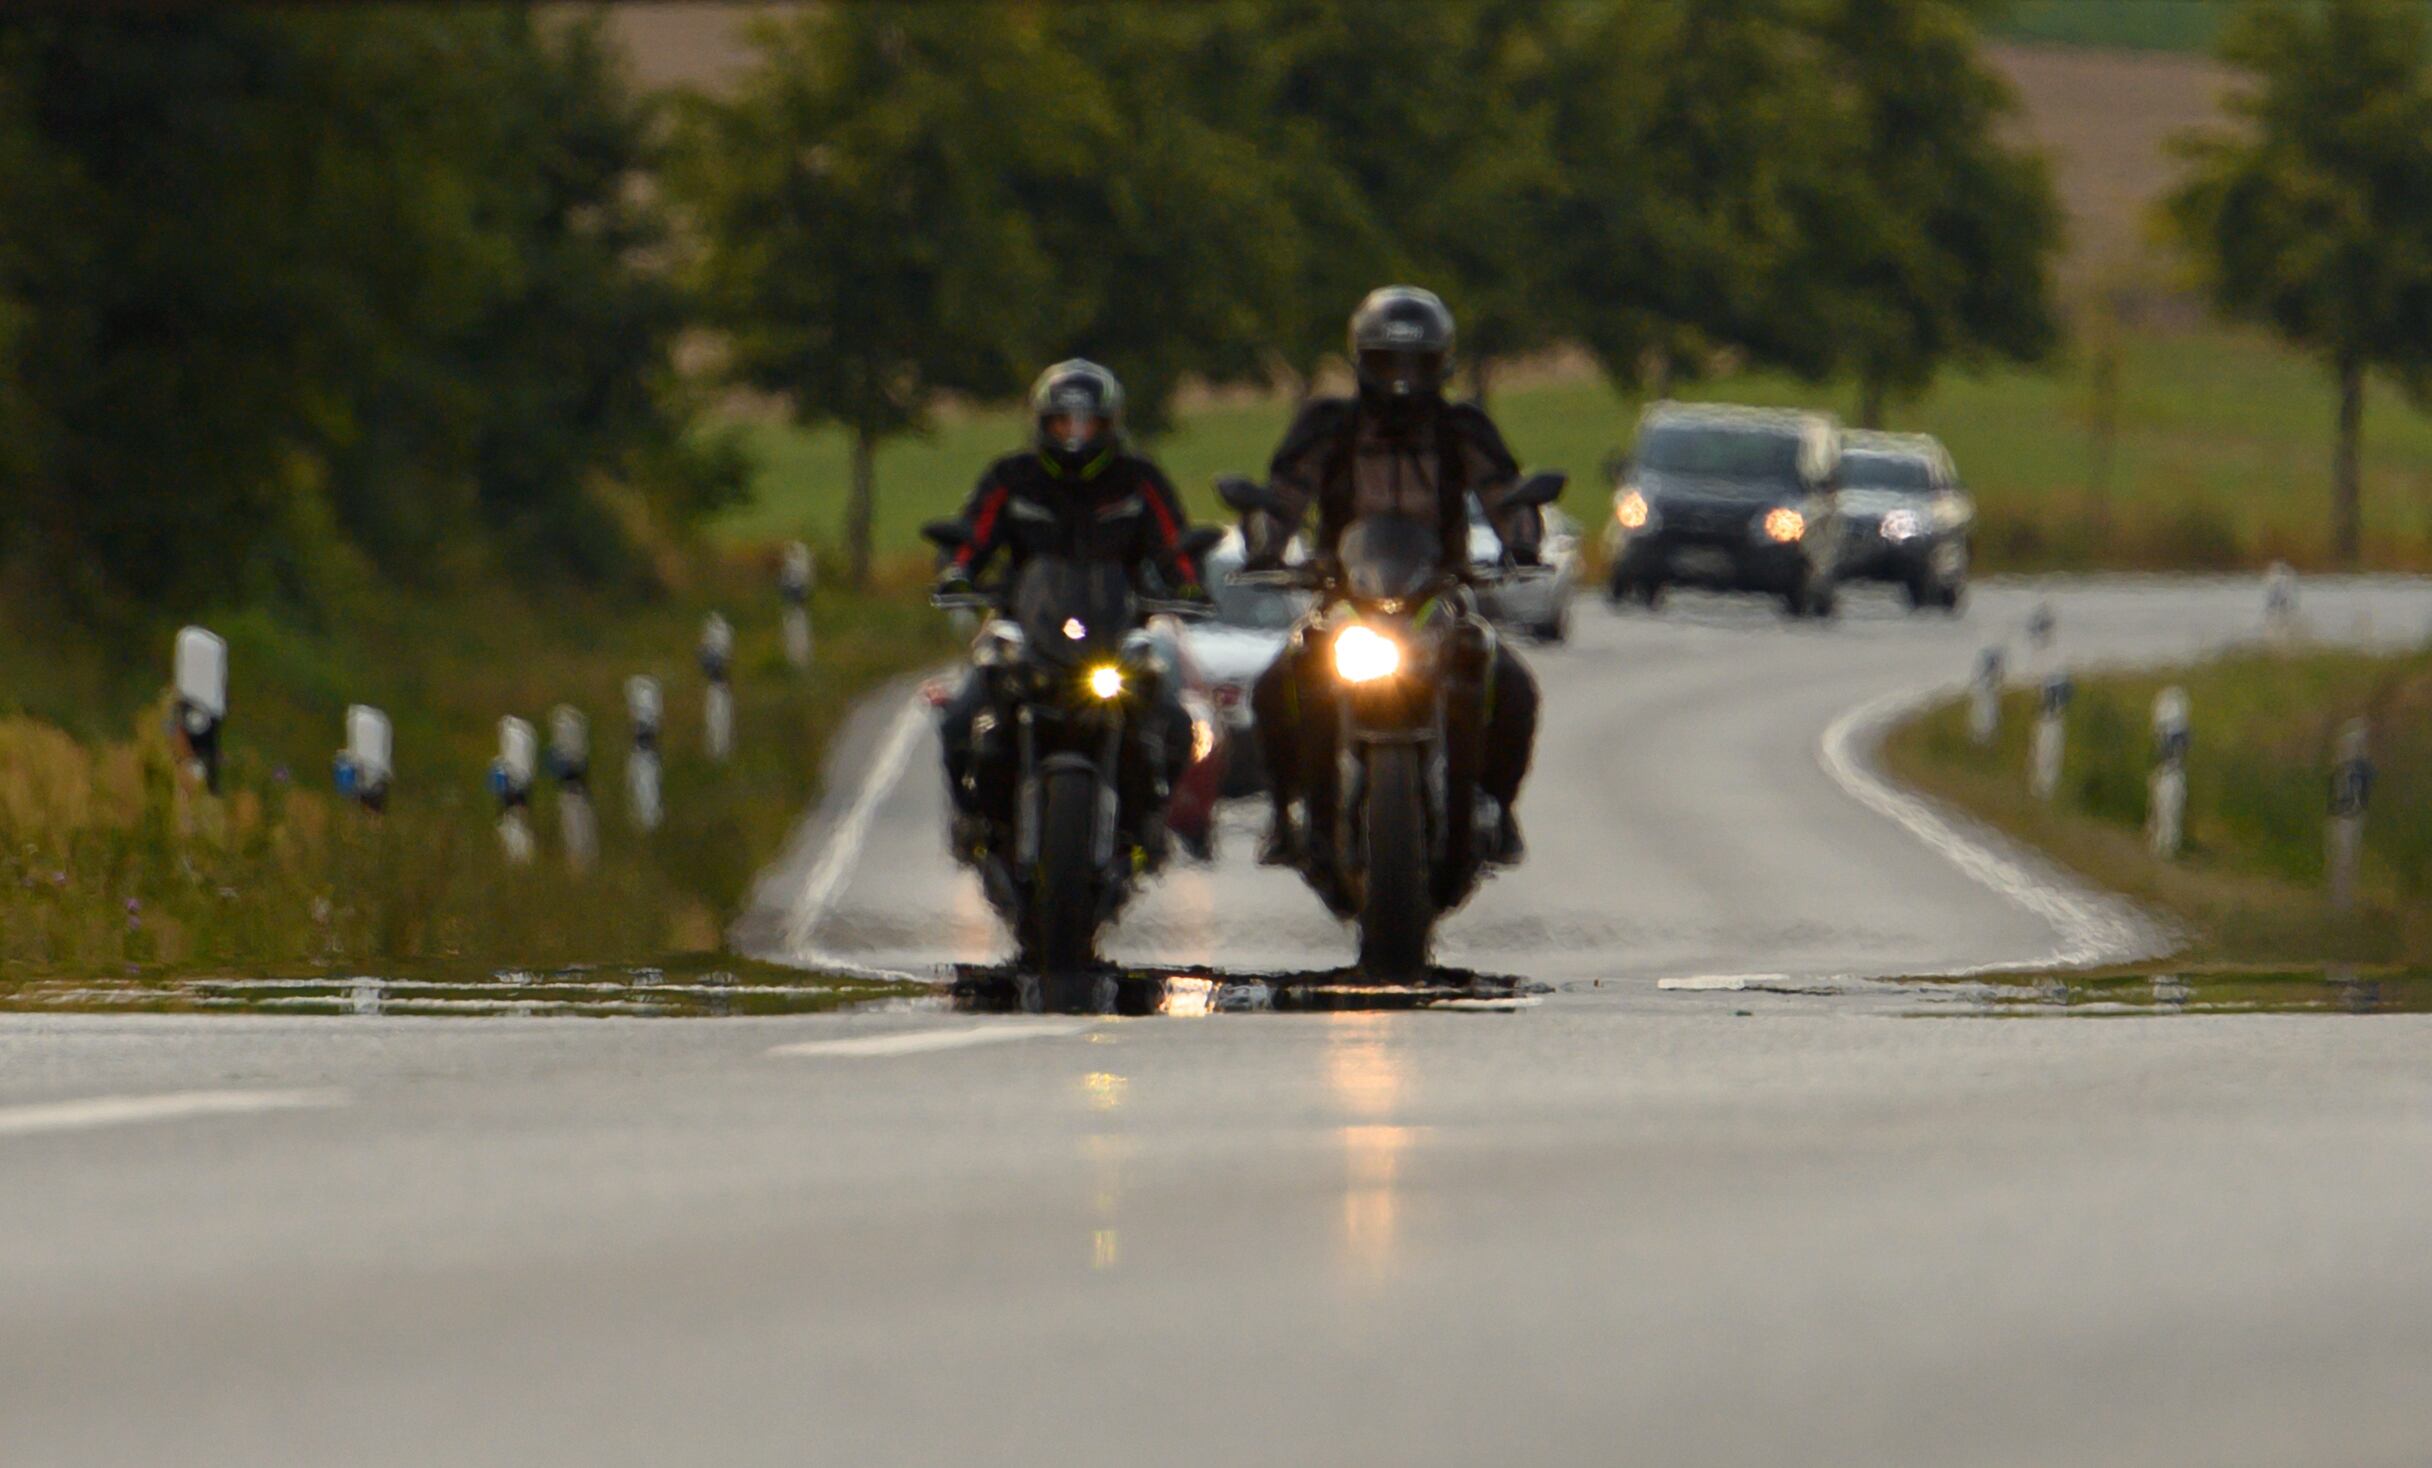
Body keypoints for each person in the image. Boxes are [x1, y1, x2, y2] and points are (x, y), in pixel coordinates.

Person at [1243, 286, 1542, 866]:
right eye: (1389, 362)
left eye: (1417, 364)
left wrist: (1524, 543)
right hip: (1347, 595)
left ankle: (1496, 810)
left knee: (1512, 688)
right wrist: (1265, 546)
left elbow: (1505, 492)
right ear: (1362, 360)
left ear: (1442, 363)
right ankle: (1286, 815)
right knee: (1275, 686)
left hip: (1439, 595)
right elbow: (1284, 492)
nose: (1402, 379)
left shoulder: (1462, 427)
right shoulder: (1330, 424)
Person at [933, 359, 1205, 851]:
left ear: (1109, 424)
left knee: (1176, 724)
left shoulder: (1137, 479)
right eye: (1064, 421)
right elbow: (974, 535)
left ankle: (1148, 825)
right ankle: (974, 820)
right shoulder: (1013, 477)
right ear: (1043, 422)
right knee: (960, 717)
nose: (1075, 434)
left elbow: (1172, 543)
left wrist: (1186, 583)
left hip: (1115, 636)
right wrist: (958, 572)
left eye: (1088, 423)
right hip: (1024, 631)